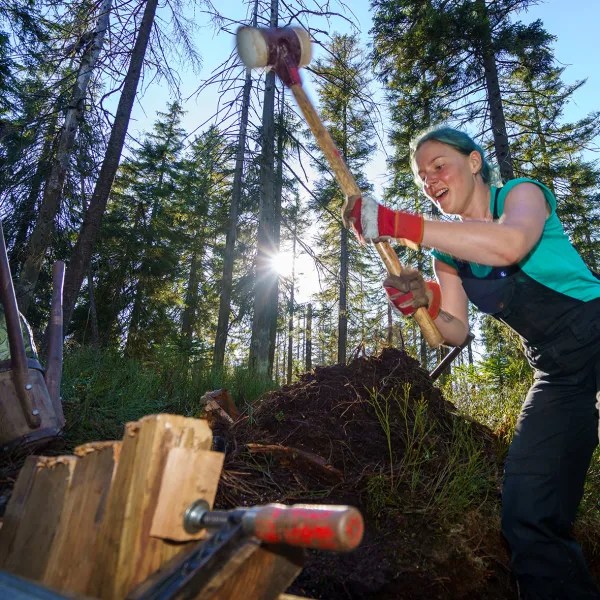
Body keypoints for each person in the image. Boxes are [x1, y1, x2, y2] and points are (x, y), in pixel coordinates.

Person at [342, 126, 600, 599]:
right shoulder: (449, 252)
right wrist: (423, 302)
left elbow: (509, 245)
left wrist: (399, 223)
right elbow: (454, 331)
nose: (430, 180)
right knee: (526, 509)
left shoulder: (520, 196)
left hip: (595, 329)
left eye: (439, 165)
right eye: (422, 177)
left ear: (475, 162)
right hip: (559, 373)